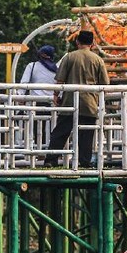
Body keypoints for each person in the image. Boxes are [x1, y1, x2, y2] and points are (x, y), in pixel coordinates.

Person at [43, 31, 109, 168]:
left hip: (69, 102)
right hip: (89, 103)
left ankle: (51, 159)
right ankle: (85, 162)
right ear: (92, 44)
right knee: (86, 135)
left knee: (60, 132)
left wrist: (56, 95)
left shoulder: (69, 57)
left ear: (77, 42)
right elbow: (104, 85)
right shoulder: (98, 60)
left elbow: (60, 80)